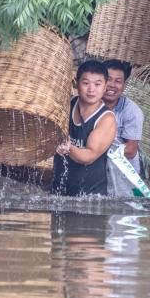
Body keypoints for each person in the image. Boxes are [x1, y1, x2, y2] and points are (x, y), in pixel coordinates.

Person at [52, 60, 117, 196]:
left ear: (105, 86)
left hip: (90, 199)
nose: (91, 89)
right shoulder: (66, 105)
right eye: (86, 83)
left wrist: (69, 148)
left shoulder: (106, 119)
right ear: (76, 83)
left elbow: (89, 156)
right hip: (58, 191)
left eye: (97, 84)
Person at [102, 59, 146, 177]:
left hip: (122, 170)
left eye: (118, 81)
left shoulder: (132, 111)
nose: (112, 85)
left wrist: (94, 150)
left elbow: (131, 150)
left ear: (124, 86)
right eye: (108, 79)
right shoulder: (88, 103)